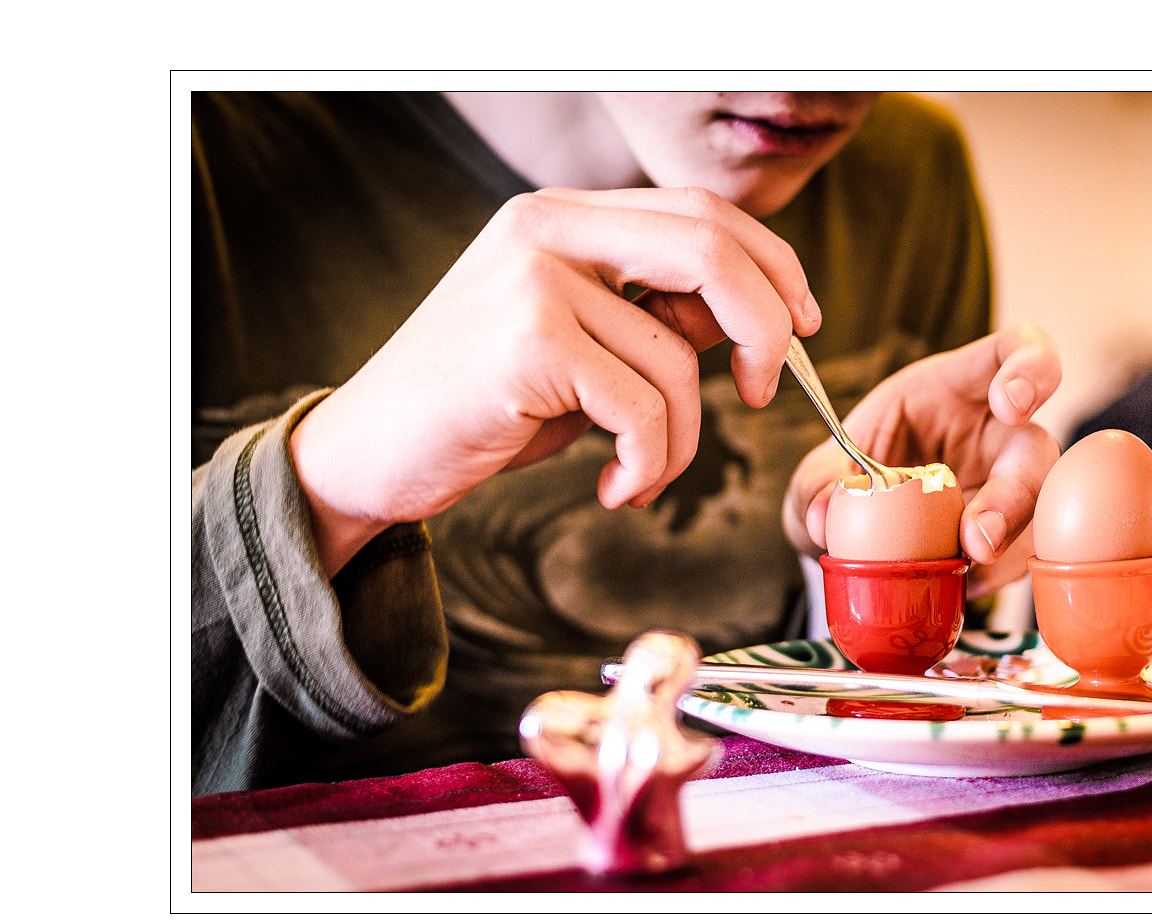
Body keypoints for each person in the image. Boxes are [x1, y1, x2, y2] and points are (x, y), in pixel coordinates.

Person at [191, 92, 1062, 796]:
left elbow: (924, 750)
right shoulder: (203, 148)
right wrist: (338, 476)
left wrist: (848, 560)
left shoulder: (911, 179)